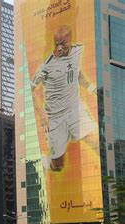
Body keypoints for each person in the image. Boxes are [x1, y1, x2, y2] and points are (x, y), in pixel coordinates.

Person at [31, 25, 97, 172]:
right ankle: (42, 160)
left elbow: (75, 73)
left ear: (70, 40)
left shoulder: (78, 50)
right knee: (58, 166)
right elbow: (30, 89)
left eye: (63, 44)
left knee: (96, 143)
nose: (59, 48)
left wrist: (92, 88)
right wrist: (42, 115)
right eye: (57, 44)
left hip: (74, 108)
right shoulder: (46, 66)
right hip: (55, 117)